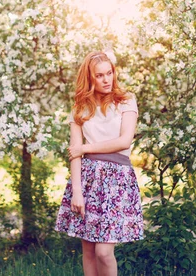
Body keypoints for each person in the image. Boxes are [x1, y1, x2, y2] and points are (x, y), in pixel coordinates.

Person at [55, 51, 144, 276]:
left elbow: (124, 140)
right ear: (90, 78)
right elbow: (74, 153)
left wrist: (85, 148)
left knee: (104, 251)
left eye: (109, 73)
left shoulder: (126, 100)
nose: (106, 79)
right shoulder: (80, 107)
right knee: (89, 250)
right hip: (88, 180)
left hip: (117, 180)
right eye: (99, 75)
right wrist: (77, 191)